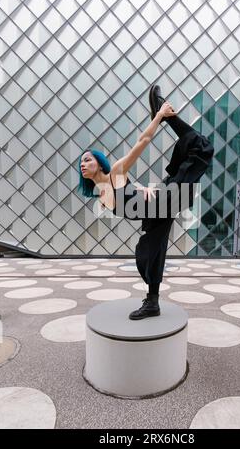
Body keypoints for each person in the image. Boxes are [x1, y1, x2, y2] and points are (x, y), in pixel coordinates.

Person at [78, 85, 214, 320]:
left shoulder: (117, 172)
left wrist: (159, 116)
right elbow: (130, 194)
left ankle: (167, 115)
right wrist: (142, 188)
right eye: (80, 163)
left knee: (199, 148)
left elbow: (143, 141)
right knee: (147, 253)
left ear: (99, 163)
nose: (82, 164)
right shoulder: (100, 196)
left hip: (165, 200)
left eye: (87, 160)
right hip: (154, 213)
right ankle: (152, 303)